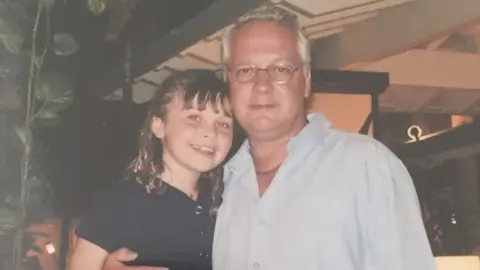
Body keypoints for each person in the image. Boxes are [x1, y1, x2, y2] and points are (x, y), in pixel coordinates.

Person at [104, 5, 436, 270]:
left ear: (305, 81)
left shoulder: (367, 167)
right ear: (229, 82)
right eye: (246, 70)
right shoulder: (217, 186)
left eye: (279, 69)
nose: (261, 85)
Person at [68, 69, 234, 270]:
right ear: (158, 126)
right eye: (195, 117)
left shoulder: (226, 201)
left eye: (224, 124)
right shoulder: (121, 203)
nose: (210, 132)